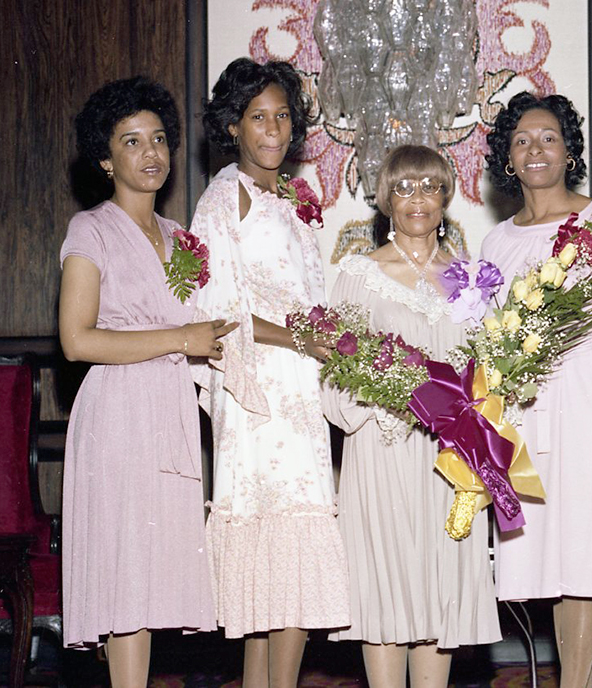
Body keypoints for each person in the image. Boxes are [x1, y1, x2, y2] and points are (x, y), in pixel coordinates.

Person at [59, 77, 236, 686]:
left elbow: (204, 330)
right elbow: (77, 340)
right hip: (116, 416)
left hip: (169, 414)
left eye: (159, 138)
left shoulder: (184, 241)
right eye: (132, 142)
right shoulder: (91, 230)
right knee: (126, 579)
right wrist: (179, 339)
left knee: (152, 581)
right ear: (106, 160)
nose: (152, 152)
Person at [481, 92, 592, 686]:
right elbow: (487, 340)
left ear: (569, 151)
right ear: (508, 157)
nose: (536, 150)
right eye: (522, 140)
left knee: (582, 561)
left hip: (591, 419)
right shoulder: (497, 243)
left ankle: (575, 682)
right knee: (537, 561)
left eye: (549, 138)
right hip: (523, 424)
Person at [190, 58, 349, 687]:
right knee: (281, 557)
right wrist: (308, 341)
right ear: (233, 126)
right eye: (259, 118)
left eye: (283, 116)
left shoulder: (287, 198)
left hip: (297, 390)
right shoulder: (223, 196)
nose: (274, 130)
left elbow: (307, 297)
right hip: (258, 393)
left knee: (277, 572)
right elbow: (216, 314)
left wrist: (328, 339)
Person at [322, 144, 501, 688]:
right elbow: (333, 377)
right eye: (403, 189)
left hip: (453, 458)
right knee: (387, 588)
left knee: (438, 592)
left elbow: (491, 370)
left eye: (428, 187)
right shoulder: (358, 273)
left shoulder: (472, 278)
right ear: (385, 201)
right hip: (384, 449)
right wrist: (394, 404)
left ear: (446, 196)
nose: (416, 200)